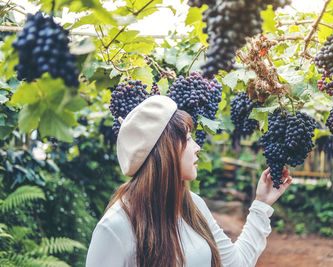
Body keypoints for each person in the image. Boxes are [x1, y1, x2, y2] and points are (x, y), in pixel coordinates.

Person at [86, 95, 292, 267]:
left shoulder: (193, 205)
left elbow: (234, 263)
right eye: (188, 139)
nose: (197, 147)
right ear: (165, 150)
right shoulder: (115, 228)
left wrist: (261, 204)